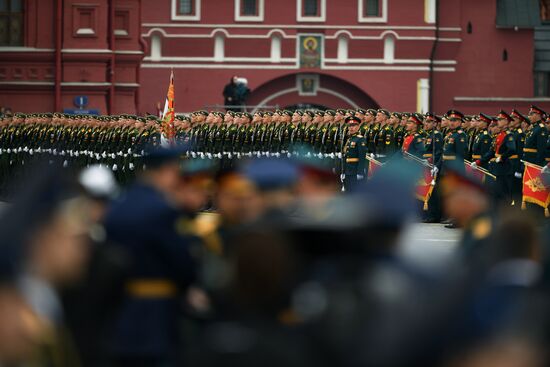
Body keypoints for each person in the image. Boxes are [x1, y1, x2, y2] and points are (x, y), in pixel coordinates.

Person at [104, 146, 200, 367]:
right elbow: (182, 262)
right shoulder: (162, 210)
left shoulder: (118, 206)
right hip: (157, 314)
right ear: (166, 171)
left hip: (121, 309)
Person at [341, 115, 367, 192]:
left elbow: (362, 157)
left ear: (358, 126)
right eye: (349, 126)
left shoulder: (360, 139)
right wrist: (343, 171)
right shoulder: (349, 139)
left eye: (353, 126)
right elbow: (345, 156)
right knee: (348, 191)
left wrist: (360, 172)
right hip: (347, 171)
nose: (351, 128)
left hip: (355, 171)